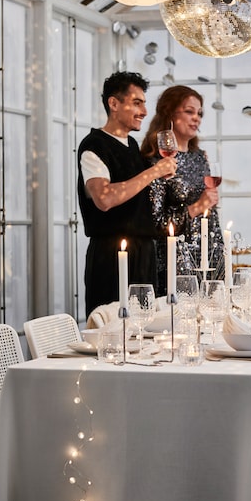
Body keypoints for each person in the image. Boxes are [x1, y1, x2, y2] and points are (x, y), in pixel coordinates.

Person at [77, 71, 176, 317]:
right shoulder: (93, 145)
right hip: (112, 256)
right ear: (114, 104)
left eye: (144, 103)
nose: (143, 111)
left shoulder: (132, 146)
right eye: (136, 102)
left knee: (144, 331)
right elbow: (105, 198)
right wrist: (153, 172)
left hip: (144, 254)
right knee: (110, 332)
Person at [141, 85, 224, 294]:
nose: (196, 118)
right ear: (169, 113)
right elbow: (156, 224)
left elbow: (211, 215)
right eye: (189, 111)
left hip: (211, 255)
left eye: (199, 113)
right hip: (177, 264)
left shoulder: (201, 158)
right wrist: (198, 207)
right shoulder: (156, 163)